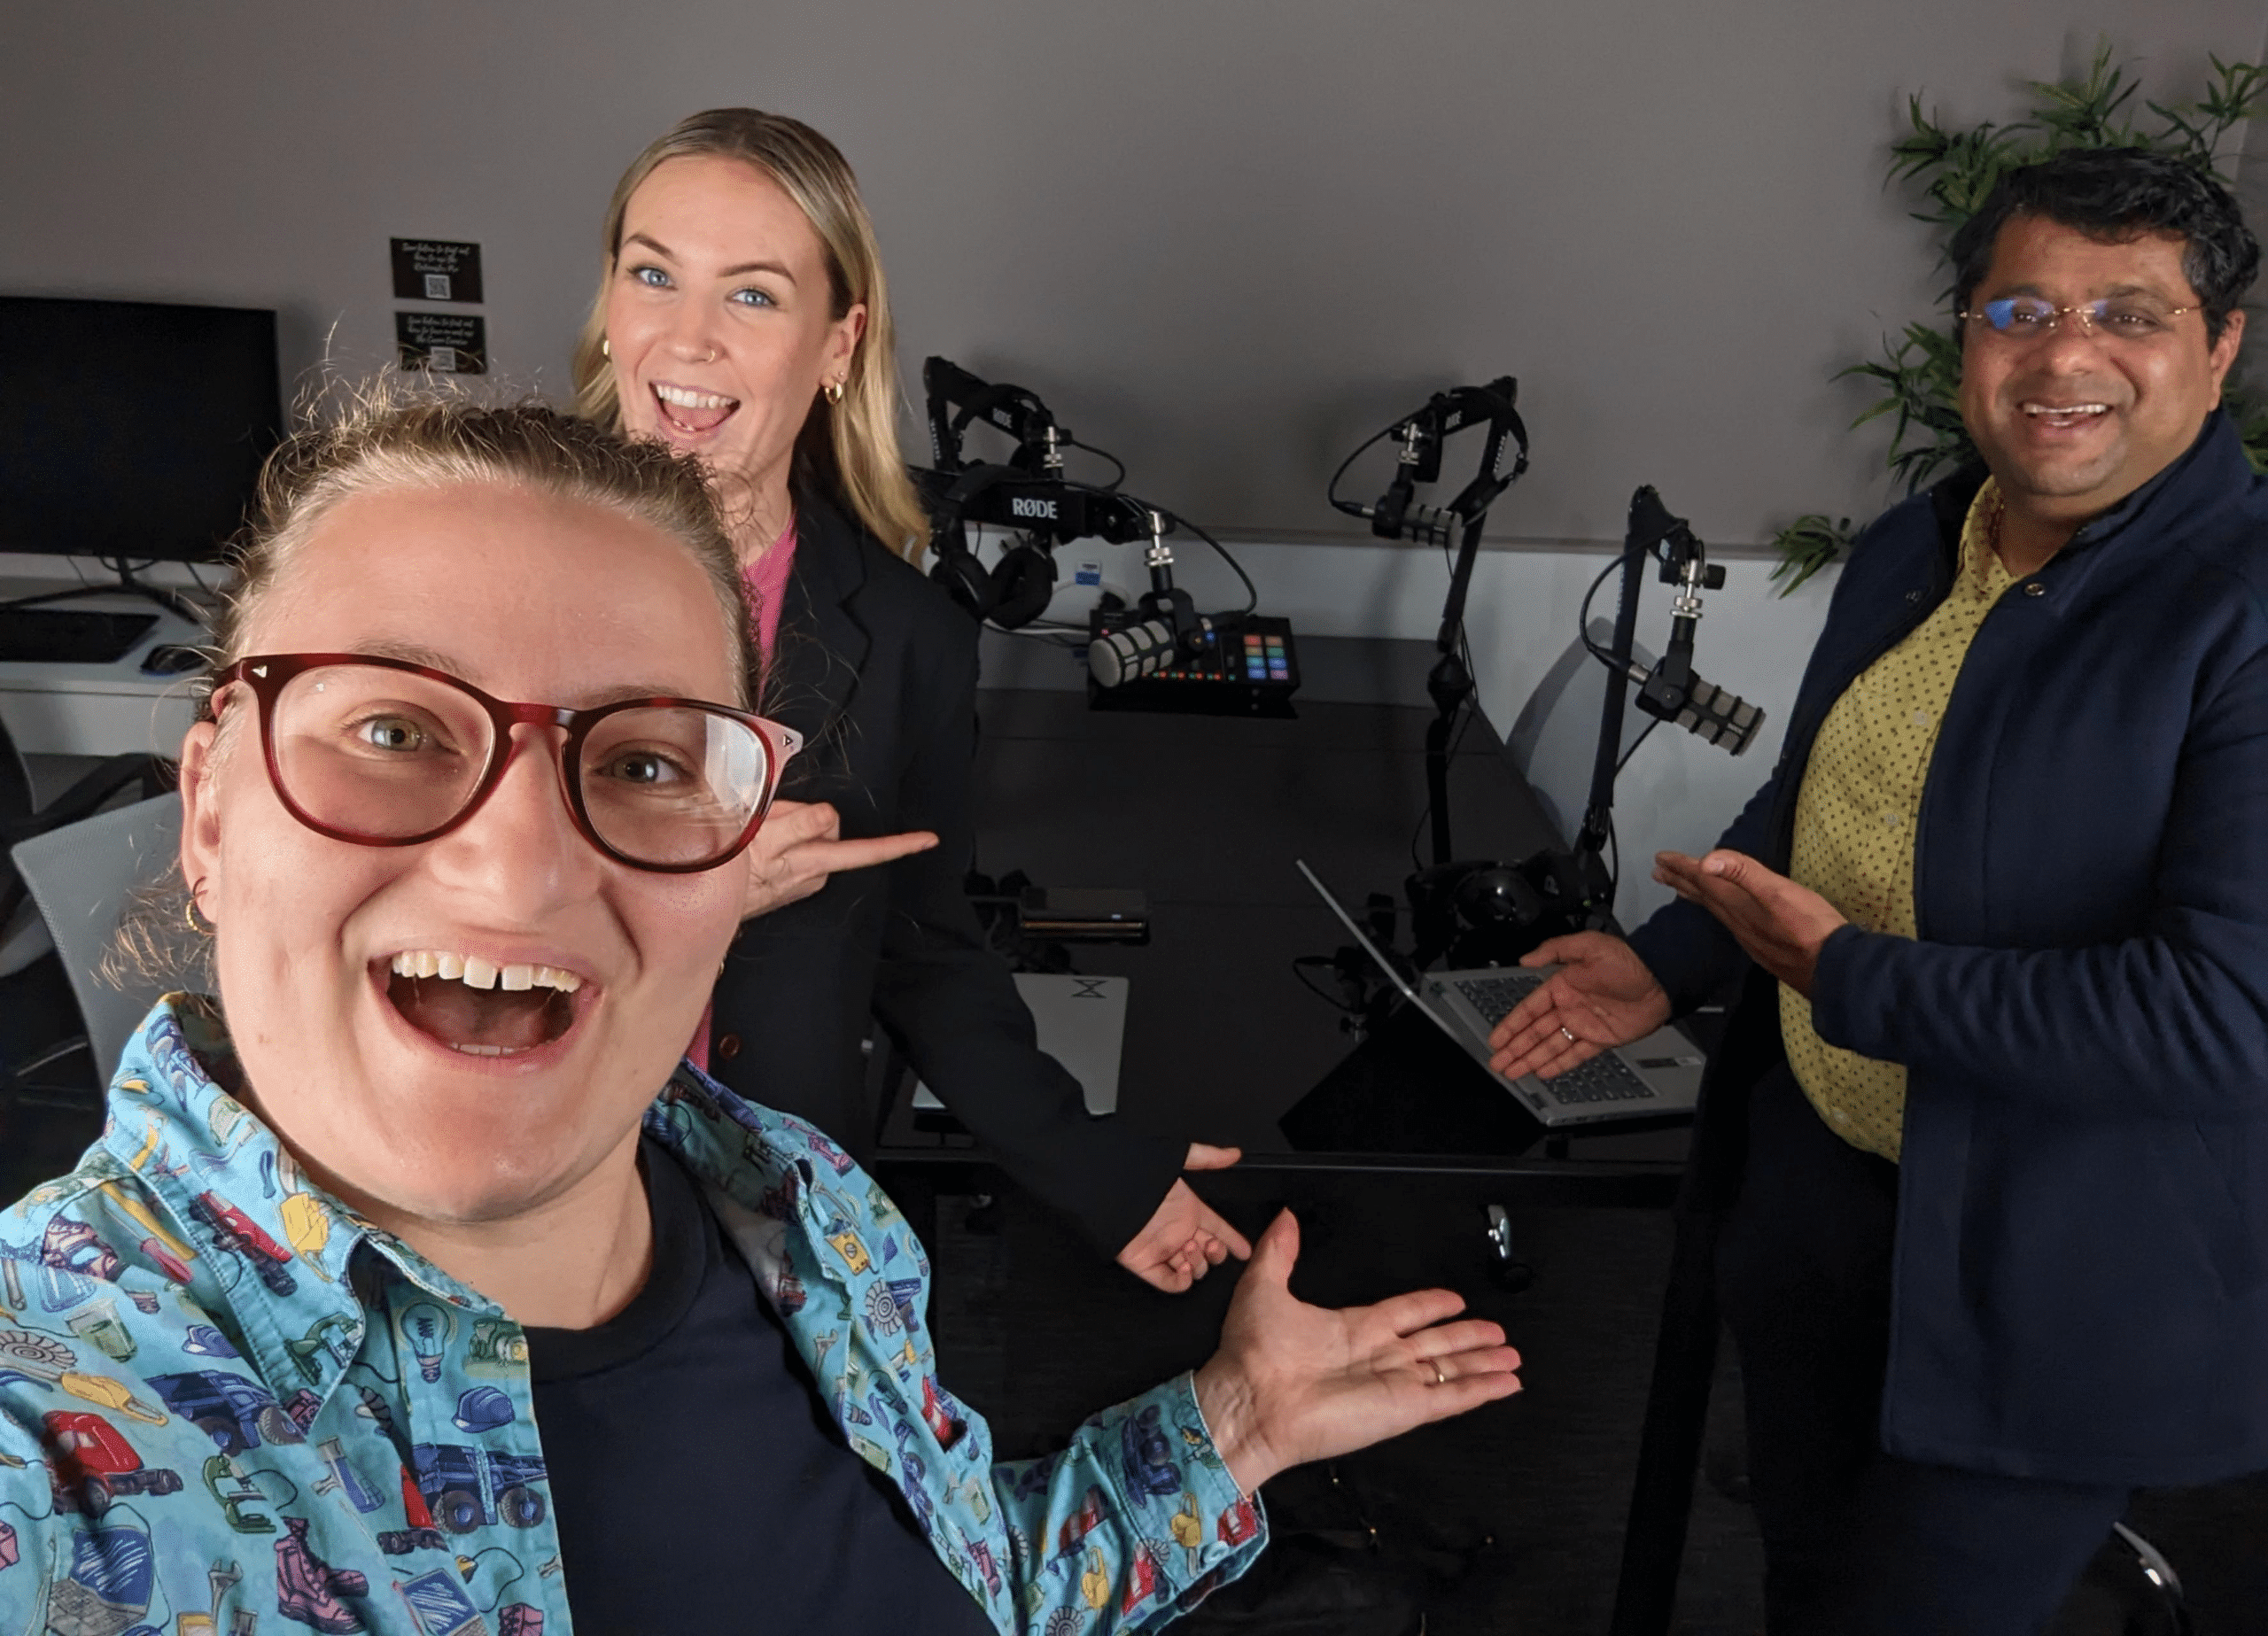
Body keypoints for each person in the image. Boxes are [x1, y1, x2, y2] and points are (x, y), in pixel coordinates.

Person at [0, 395, 1523, 1632]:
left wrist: (1234, 1426)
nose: (522, 865)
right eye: (393, 729)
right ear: (207, 810)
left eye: (648, 764)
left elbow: (960, 1584)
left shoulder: (809, 1213)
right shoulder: (60, 1442)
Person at [1489, 145, 2266, 1632]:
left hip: (2056, 1284)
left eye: (2132, 315)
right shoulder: (1923, 543)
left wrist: (1848, 979)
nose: (2067, 359)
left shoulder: (2238, 618)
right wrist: (1671, 960)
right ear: (1966, 331)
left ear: (2220, 350)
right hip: (1831, 1207)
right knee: (1801, 1578)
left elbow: (2223, 1018)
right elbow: (1823, 804)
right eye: (2020, 310)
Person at [570, 108, 1244, 1292]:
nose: (687, 339)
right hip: (527, 1169)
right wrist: (702, 882)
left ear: (839, 345)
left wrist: (1090, 1162)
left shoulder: (911, 638)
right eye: (653, 274)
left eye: (754, 296)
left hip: (771, 1207)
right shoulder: (487, 570)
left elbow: (930, 953)